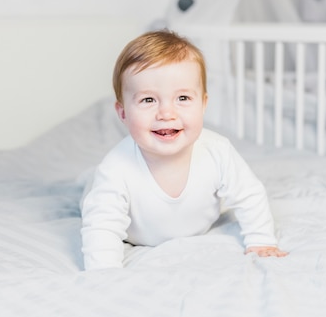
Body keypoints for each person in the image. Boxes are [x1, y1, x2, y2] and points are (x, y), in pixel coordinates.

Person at [80, 30, 287, 270]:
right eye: (148, 100)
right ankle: (86, 181)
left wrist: (261, 241)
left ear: (203, 104)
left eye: (183, 98)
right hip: (134, 233)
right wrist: (103, 271)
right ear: (123, 113)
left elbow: (249, 195)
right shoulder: (116, 169)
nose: (166, 114)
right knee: (94, 196)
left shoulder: (217, 151)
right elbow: (101, 225)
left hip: (195, 223)